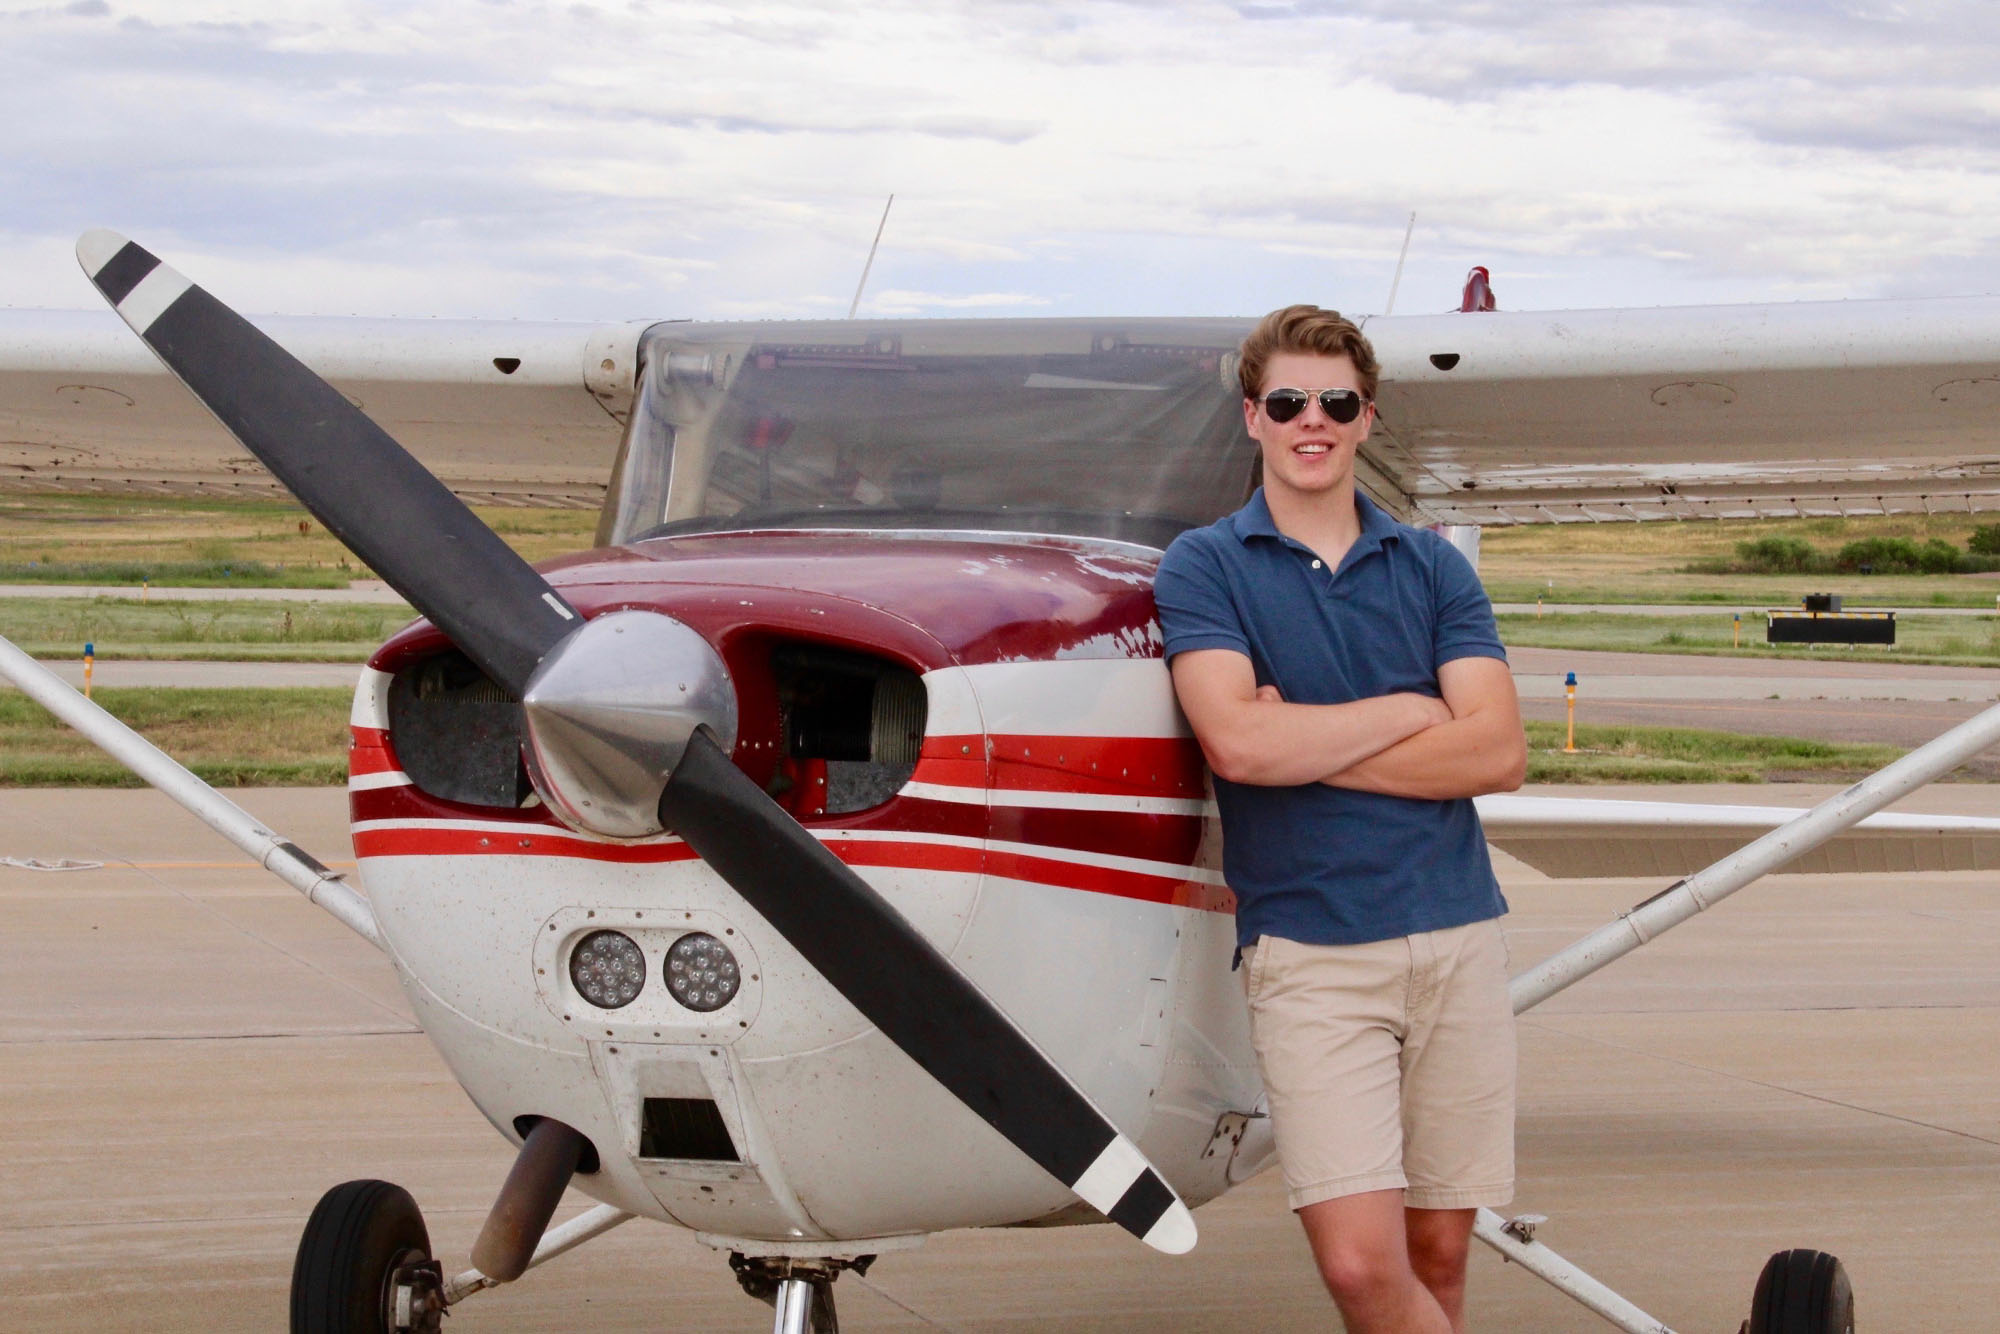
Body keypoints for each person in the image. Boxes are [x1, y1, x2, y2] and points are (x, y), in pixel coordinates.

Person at [1154, 305, 1526, 1333]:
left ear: (1366, 416)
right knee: (1363, 1266)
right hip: (1310, 950)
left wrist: (1308, 744)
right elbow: (1238, 746)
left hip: (1453, 931)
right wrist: (1412, 713)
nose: (1308, 419)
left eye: (1333, 401)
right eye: (1285, 401)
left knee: (1438, 1250)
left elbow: (1495, 751)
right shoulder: (1203, 565)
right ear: (1251, 416)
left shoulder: (1433, 567)